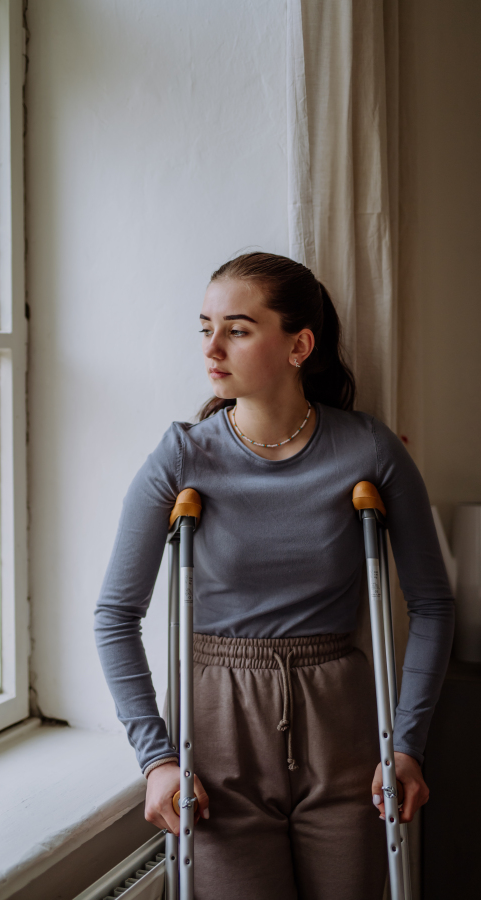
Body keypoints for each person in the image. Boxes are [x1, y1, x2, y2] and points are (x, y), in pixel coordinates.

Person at [94, 253, 454, 900]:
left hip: (343, 725)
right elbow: (115, 615)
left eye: (236, 328)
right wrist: (157, 760)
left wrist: (407, 744)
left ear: (299, 344)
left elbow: (432, 604)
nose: (212, 347)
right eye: (204, 327)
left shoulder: (370, 449)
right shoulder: (183, 455)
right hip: (218, 731)